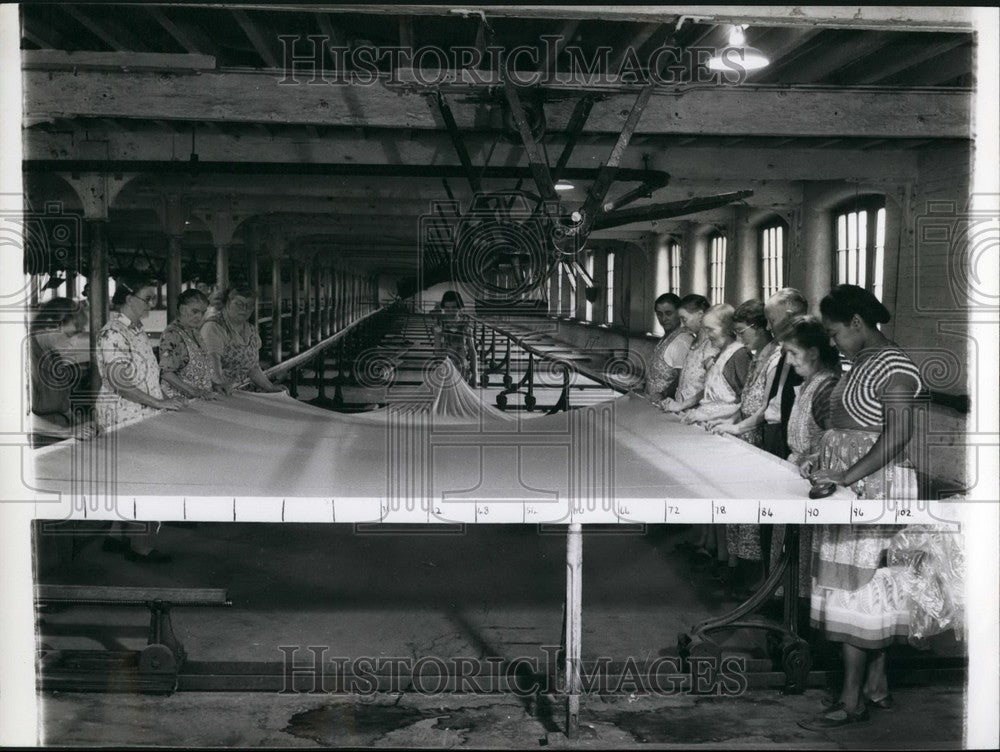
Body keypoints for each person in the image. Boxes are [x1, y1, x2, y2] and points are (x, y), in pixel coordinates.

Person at [799, 285, 925, 730]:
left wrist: (846, 475)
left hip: (876, 485)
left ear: (856, 323)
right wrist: (823, 457)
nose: (832, 343)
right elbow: (848, 424)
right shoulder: (862, 362)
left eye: (834, 333)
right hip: (854, 482)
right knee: (860, 587)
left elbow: (898, 435)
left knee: (860, 588)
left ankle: (852, 700)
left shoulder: (894, 366)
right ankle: (876, 683)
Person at [706, 299, 781, 596]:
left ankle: (753, 581)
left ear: (759, 327)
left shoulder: (774, 357)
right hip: (742, 435)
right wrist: (732, 423)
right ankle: (736, 569)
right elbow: (745, 400)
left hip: (757, 439)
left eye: (742, 331)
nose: (740, 337)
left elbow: (765, 407)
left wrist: (737, 425)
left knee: (751, 516)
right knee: (736, 512)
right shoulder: (756, 354)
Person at [769, 315, 841, 607]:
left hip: (814, 487)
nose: (788, 361)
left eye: (793, 353)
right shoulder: (809, 383)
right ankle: (787, 608)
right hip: (796, 476)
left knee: (802, 562)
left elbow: (837, 439)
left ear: (813, 353)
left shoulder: (826, 389)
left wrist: (814, 457)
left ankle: (798, 616)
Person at [95, 275, 185, 432]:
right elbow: (120, 383)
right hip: (122, 415)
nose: (151, 304)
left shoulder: (137, 330)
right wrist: (158, 403)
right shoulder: (113, 333)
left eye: (153, 299)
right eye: (148, 298)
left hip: (144, 412)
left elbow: (147, 379)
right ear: (129, 299)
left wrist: (164, 399)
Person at [28, 298, 95, 443]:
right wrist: (67, 432)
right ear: (49, 325)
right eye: (69, 335)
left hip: (61, 437)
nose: (72, 343)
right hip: (37, 441)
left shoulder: (53, 355)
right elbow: (17, 417)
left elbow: (63, 406)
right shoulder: (24, 356)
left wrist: (81, 425)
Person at [676, 304, 752, 426]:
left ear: (727, 328)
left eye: (711, 329)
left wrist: (708, 415)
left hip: (724, 426)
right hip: (708, 423)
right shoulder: (721, 353)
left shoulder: (739, 355)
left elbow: (748, 402)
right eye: (705, 329)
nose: (708, 335)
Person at [201, 285, 284, 392]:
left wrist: (270, 387)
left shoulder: (251, 330)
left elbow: (253, 367)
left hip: (235, 390)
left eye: (250, 305)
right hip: (212, 391)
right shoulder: (213, 327)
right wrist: (219, 382)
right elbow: (212, 358)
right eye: (239, 304)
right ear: (227, 304)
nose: (245, 309)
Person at [761, 288, 810, 458]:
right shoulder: (785, 350)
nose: (768, 327)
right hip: (775, 432)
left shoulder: (807, 353)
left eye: (771, 320)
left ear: (790, 317)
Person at [159, 288, 225, 400]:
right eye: (194, 311)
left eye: (203, 312)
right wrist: (193, 391)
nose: (199, 317)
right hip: (178, 402)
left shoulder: (194, 332)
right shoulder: (172, 334)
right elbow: (166, 373)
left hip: (198, 400)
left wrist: (214, 385)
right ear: (181, 309)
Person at [660, 294, 718, 413]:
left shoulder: (710, 346)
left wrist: (682, 405)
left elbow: (710, 387)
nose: (682, 324)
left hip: (697, 413)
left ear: (700, 315)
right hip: (682, 409)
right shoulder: (694, 342)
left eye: (684, 319)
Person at [645, 293, 694, 402]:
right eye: (659, 314)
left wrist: (663, 395)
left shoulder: (682, 341)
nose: (663, 319)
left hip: (666, 402)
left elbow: (682, 379)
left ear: (679, 313)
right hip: (653, 401)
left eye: (668, 313)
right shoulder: (668, 336)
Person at [432, 290, 478, 385]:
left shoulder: (466, 324)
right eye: (447, 308)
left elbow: (472, 350)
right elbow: (437, 349)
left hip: (462, 367)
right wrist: (439, 369)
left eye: (454, 307)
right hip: (446, 368)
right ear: (443, 307)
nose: (450, 311)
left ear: (460, 308)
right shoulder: (439, 324)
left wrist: (475, 373)